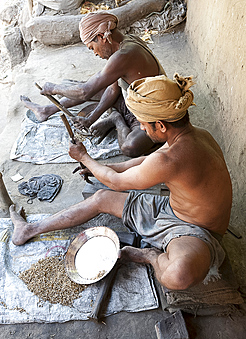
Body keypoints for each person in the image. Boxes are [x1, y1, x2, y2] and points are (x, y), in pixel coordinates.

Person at [11, 74, 232, 290]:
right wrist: (102, 168)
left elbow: (117, 182)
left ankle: (150, 256)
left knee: (179, 275)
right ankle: (29, 229)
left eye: (144, 124)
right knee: (101, 198)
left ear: (161, 125)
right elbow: (146, 161)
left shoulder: (172, 159)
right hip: (172, 210)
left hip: (197, 230)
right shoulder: (196, 135)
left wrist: (85, 158)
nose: (142, 128)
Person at [20, 11, 166, 157]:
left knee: (130, 147)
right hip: (134, 101)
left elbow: (85, 92)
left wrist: (54, 89)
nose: (95, 54)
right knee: (98, 85)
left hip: (152, 113)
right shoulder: (126, 43)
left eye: (92, 48)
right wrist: (91, 118)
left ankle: (116, 118)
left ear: (102, 37)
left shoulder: (124, 55)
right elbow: (112, 89)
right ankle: (47, 110)